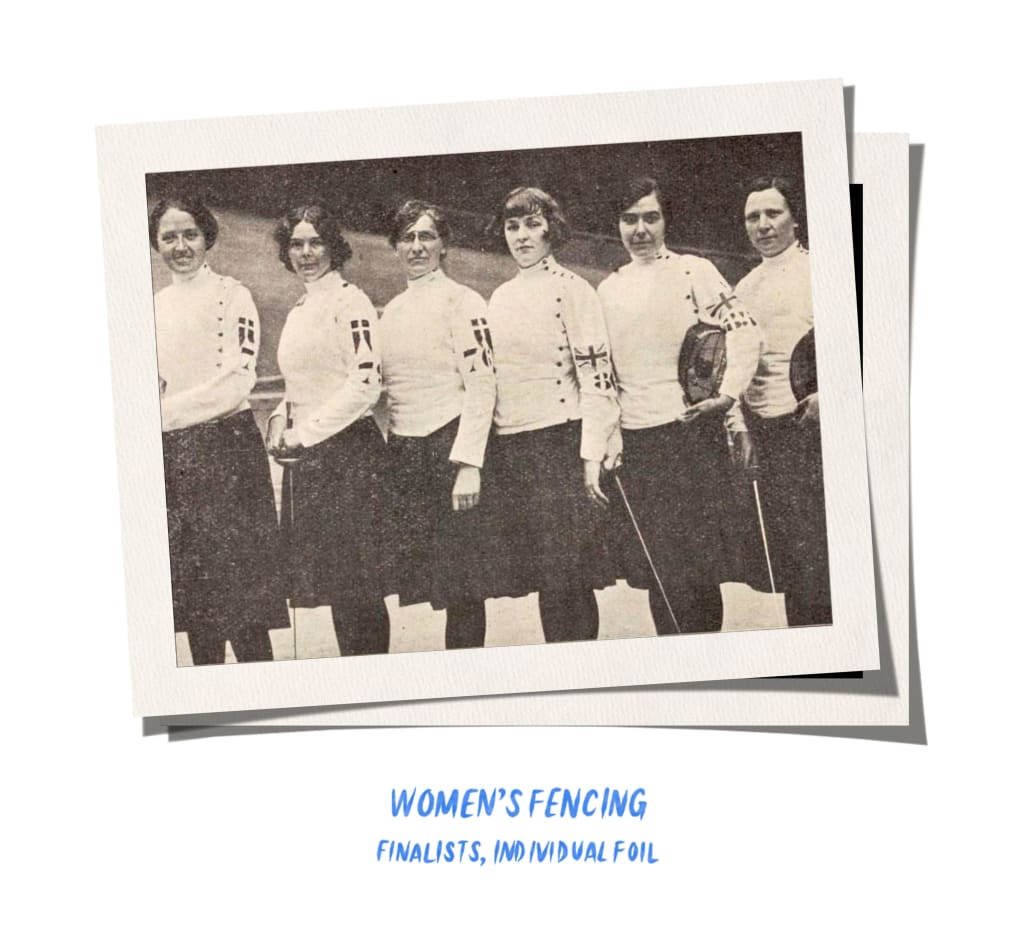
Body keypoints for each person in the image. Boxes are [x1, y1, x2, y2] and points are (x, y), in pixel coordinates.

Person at [597, 177, 761, 634]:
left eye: (651, 217)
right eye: (630, 219)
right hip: (638, 444)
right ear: (618, 225)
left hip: (690, 436)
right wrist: (611, 436)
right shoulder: (608, 289)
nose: (640, 229)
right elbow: (604, 373)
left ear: (666, 220)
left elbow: (745, 332)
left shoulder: (695, 271)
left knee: (699, 568)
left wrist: (726, 397)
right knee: (658, 573)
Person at [150, 195, 289, 665]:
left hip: (228, 453)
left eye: (190, 234)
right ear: (157, 244)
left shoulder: (234, 295)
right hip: (176, 459)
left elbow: (237, 380)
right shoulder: (154, 307)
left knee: (244, 601)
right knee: (197, 603)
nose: (181, 246)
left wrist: (162, 416)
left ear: (207, 237)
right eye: (169, 237)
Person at [483, 186, 620, 643]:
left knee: (568, 577)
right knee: (545, 576)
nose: (521, 236)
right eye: (512, 226)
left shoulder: (574, 290)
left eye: (532, 224)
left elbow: (598, 379)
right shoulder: (499, 296)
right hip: (513, 449)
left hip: (560, 447)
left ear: (551, 229)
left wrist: (590, 456)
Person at [266, 202, 391, 655]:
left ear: (333, 246)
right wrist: (282, 415)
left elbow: (364, 383)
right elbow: (306, 382)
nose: (306, 253)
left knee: (358, 589)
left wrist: (304, 433)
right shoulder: (301, 307)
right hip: (313, 456)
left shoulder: (350, 302)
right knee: (338, 589)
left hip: (350, 457)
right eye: (296, 244)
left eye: (315, 242)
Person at [379, 200, 496, 648]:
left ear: (443, 244)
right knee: (430, 583)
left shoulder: (464, 301)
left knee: (464, 587)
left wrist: (469, 463)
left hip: (451, 448)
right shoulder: (390, 311)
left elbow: (483, 384)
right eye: (407, 237)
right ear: (394, 246)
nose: (416, 247)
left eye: (426, 236)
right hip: (407, 454)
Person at [733, 176, 832, 625]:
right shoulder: (743, 287)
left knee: (823, 554)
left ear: (795, 218)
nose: (763, 225)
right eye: (753, 216)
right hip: (765, 431)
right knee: (789, 560)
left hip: (811, 429)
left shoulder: (822, 271)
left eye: (773, 213)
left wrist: (829, 395)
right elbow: (732, 363)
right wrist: (742, 425)